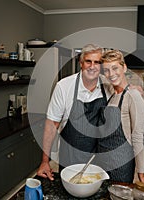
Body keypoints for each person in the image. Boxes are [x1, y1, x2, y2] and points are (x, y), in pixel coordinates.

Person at [37, 44, 111, 180]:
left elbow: (126, 92)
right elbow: (51, 126)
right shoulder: (64, 87)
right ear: (81, 63)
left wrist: (134, 89)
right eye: (88, 61)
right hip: (70, 156)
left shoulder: (108, 86)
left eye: (97, 62)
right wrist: (45, 161)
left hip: (99, 157)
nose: (92, 66)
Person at [98, 49, 144, 190]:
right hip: (102, 162)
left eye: (115, 68)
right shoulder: (111, 94)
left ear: (124, 67)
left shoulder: (133, 96)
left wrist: (141, 174)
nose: (111, 74)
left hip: (121, 164)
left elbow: (137, 137)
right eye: (106, 70)